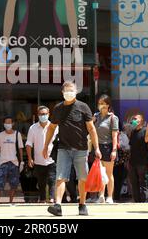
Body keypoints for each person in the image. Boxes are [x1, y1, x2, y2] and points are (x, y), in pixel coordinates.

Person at [43, 81, 101, 216]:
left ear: (76, 92)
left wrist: (96, 148)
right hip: (63, 148)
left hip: (81, 149)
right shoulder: (58, 108)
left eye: (71, 90)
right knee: (60, 177)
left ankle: (82, 205)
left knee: (82, 178)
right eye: (66, 91)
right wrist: (46, 146)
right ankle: (57, 205)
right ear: (62, 93)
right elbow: (51, 128)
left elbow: (91, 128)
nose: (69, 93)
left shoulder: (83, 107)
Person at [26, 106, 58, 203]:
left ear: (49, 114)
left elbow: (59, 142)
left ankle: (52, 198)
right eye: (41, 114)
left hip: (52, 159)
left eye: (45, 114)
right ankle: (43, 199)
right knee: (41, 182)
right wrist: (29, 158)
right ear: (38, 115)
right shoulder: (33, 128)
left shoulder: (54, 126)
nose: (43, 116)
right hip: (39, 160)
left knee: (52, 179)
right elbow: (28, 144)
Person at [93, 95, 119, 204]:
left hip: (108, 146)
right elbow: (90, 130)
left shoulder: (113, 118)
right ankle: (101, 195)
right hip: (97, 146)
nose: (101, 105)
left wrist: (114, 150)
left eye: (103, 103)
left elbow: (114, 136)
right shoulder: (96, 116)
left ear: (108, 105)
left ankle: (109, 196)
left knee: (109, 173)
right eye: (100, 103)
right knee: (99, 173)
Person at [0, 116, 24, 204]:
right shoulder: (0, 135)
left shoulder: (17, 135)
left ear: (13, 124)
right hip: (3, 162)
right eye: (6, 123)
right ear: (3, 124)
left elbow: (20, 149)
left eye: (9, 122)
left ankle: (11, 202)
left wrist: (21, 162)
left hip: (14, 162)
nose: (7, 124)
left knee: (14, 184)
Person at [127, 113, 148, 203]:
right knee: (134, 182)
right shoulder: (132, 132)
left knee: (142, 182)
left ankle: (143, 201)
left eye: (136, 119)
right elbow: (131, 146)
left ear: (141, 121)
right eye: (133, 119)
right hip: (132, 161)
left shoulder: (144, 131)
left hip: (142, 161)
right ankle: (136, 200)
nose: (134, 120)